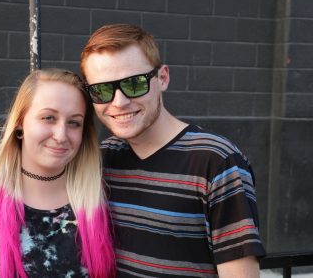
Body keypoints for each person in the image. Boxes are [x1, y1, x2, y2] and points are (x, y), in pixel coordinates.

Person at [80, 24, 266, 278]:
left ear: (163, 78)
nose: (119, 102)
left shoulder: (217, 161)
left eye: (134, 84)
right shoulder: (102, 160)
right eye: (102, 90)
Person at [0, 68, 116, 278]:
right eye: (48, 117)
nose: (61, 135)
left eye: (74, 122)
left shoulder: (99, 209)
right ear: (20, 124)